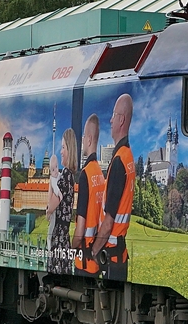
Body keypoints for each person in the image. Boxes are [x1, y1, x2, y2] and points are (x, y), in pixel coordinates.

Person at [92, 94, 134, 282]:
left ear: (121, 119)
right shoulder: (128, 156)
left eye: (113, 115)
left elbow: (108, 222)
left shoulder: (118, 162)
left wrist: (93, 251)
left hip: (110, 254)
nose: (110, 119)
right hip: (119, 252)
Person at [73, 115, 103, 276]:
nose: (82, 140)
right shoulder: (99, 174)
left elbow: (80, 229)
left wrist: (70, 248)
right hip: (96, 260)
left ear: (89, 139)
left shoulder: (85, 174)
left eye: (84, 136)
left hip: (83, 262)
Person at [46, 128, 77, 274]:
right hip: (64, 238)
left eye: (63, 147)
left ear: (69, 149)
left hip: (58, 239)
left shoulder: (65, 175)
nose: (61, 151)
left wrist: (51, 182)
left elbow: (51, 205)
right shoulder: (70, 176)